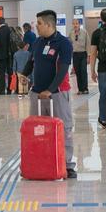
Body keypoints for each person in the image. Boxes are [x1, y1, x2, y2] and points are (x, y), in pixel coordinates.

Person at [27, 10, 77, 178]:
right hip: (37, 93)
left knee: (64, 128)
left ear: (49, 24)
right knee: (38, 129)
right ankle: (40, 161)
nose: (36, 26)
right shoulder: (38, 42)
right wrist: (22, 74)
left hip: (57, 93)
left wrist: (51, 89)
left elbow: (63, 69)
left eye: (39, 23)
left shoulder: (63, 43)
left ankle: (68, 164)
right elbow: (31, 61)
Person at [0, 17, 13, 95]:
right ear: (4, 22)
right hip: (10, 54)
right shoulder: (10, 30)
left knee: (2, 73)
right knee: (10, 72)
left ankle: (2, 90)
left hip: (1, 55)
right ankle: (10, 90)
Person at [68, 18, 90, 95]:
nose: (75, 25)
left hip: (83, 53)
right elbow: (69, 44)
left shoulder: (84, 32)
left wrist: (88, 56)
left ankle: (85, 88)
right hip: (75, 54)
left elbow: (87, 44)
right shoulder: (71, 33)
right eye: (73, 24)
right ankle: (80, 89)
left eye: (76, 23)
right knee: (77, 72)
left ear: (79, 24)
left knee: (83, 71)